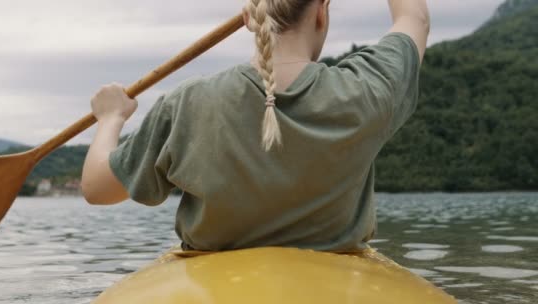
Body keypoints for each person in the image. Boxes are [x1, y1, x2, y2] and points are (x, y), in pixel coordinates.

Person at [81, 0, 430, 252]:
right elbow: (413, 17)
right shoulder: (368, 89)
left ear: (249, 17)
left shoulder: (188, 101)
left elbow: (97, 188)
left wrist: (111, 118)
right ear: (322, 13)